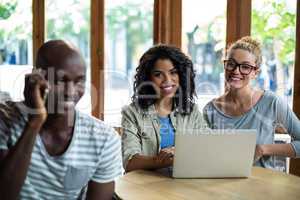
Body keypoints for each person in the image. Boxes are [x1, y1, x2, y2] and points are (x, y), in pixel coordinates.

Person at [0, 40, 123, 199]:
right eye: (60, 80)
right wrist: (34, 122)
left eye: (79, 81)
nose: (71, 92)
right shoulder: (4, 119)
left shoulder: (104, 139)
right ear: (36, 77)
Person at [203, 36, 300, 169]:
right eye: (231, 64)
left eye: (245, 67)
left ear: (255, 72)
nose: (236, 71)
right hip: (223, 184)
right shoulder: (210, 109)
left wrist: (263, 149)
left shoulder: (272, 102)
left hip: (263, 186)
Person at [121, 44, 207, 172]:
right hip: (144, 187)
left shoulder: (192, 111)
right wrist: (163, 160)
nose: (167, 80)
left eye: (173, 72)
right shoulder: (132, 113)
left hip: (184, 183)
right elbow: (130, 162)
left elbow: (206, 147)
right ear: (148, 78)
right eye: (158, 74)